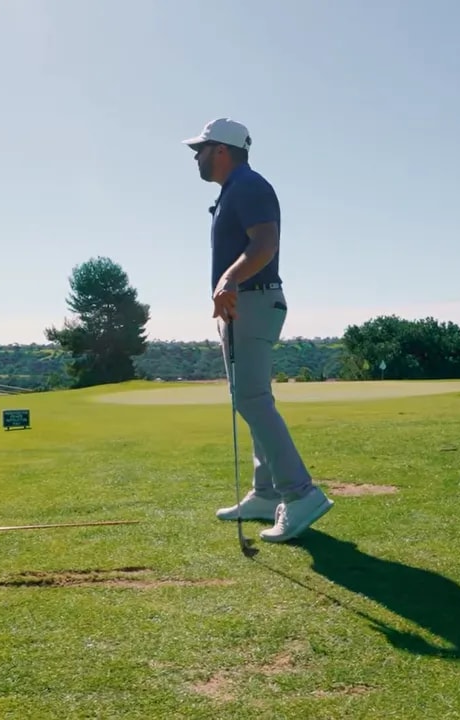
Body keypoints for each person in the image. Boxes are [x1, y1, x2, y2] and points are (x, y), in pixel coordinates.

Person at [182, 118, 333, 543]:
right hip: (245, 304)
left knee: (251, 398)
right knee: (250, 399)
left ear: (223, 150)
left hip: (252, 300)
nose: (196, 156)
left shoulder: (248, 185)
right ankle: (266, 494)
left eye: (202, 148)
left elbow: (265, 243)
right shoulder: (235, 190)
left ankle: (300, 494)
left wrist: (229, 279)